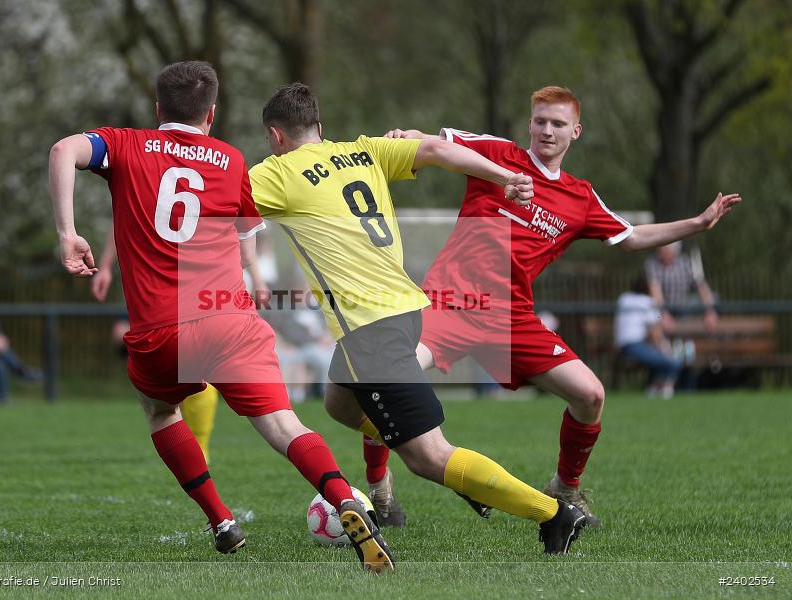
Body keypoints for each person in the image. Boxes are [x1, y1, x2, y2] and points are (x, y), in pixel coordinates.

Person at [48, 61, 393, 572]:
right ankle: (344, 497)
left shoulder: (125, 143)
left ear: (157, 108)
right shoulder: (230, 159)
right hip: (228, 318)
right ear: (212, 113)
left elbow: (63, 150)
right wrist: (254, 276)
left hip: (162, 329)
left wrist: (66, 232)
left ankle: (221, 520)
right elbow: (246, 228)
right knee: (283, 425)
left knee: (161, 411)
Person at [375, 86, 741, 527]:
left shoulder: (580, 198)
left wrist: (698, 224)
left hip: (511, 318)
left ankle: (565, 487)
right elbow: (433, 144)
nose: (547, 130)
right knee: (388, 373)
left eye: (557, 124)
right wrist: (401, 136)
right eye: (540, 120)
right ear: (530, 123)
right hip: (452, 303)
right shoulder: (496, 155)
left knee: (590, 395)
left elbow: (631, 237)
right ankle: (381, 486)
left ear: (576, 132)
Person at [249, 83, 586, 554]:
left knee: (429, 458)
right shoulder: (363, 151)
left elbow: (221, 203)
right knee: (339, 405)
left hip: (370, 327)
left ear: (275, 136)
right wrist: (501, 175)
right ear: (320, 128)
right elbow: (434, 148)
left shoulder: (276, 173)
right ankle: (466, 472)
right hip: (405, 311)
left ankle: (552, 513)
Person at [91, 229, 221, 463]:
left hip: (196, 280)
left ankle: (199, 447)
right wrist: (106, 266)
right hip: (151, 283)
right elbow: (119, 221)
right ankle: (188, 445)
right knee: (168, 384)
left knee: (200, 370)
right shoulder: (137, 201)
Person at [615, 273, 682, 398]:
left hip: (621, 346)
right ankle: (664, 390)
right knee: (673, 363)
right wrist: (657, 302)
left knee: (662, 364)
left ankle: (653, 389)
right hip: (635, 346)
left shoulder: (624, 298)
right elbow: (656, 328)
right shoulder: (648, 302)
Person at [645, 242, 718, 333]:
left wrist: (709, 312)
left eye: (663, 249)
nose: (659, 251)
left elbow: (702, 286)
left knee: (714, 297)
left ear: (673, 251)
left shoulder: (686, 263)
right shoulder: (652, 264)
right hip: (661, 309)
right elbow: (655, 293)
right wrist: (663, 314)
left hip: (684, 306)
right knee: (653, 313)